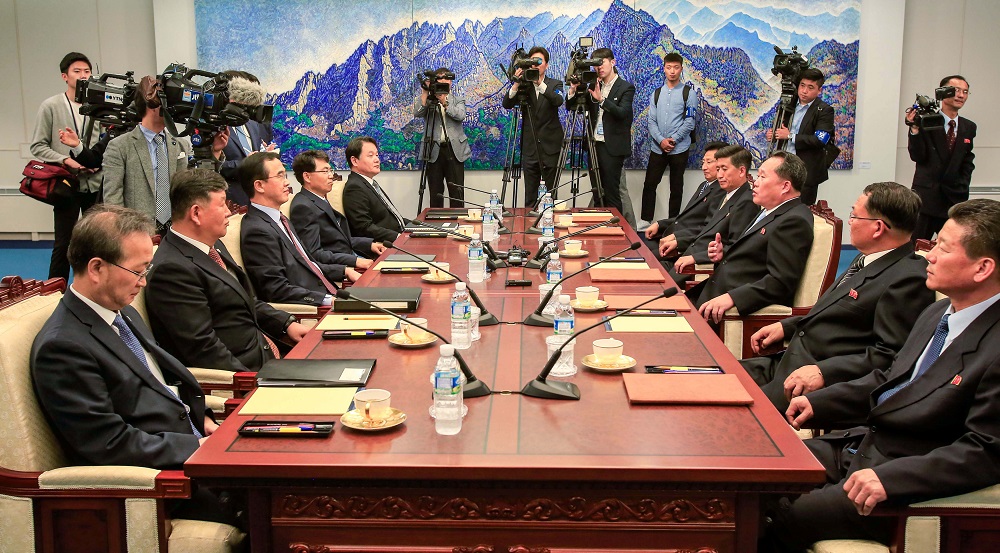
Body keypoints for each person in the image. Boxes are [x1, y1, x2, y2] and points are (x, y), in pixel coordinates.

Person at [767, 199, 1000, 551]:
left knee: (780, 515)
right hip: (861, 444)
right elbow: (891, 378)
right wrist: (819, 403)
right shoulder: (939, 311)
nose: (930, 254)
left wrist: (892, 478)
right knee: (760, 479)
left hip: (899, 474)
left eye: (942, 247)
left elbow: (985, 451)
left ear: (982, 268)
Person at [30, 204, 232, 524]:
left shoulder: (120, 312)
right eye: (138, 271)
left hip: (193, 449)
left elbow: (159, 384)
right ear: (97, 268)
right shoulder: (63, 347)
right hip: (162, 485)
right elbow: (110, 443)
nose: (143, 283)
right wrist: (199, 446)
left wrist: (202, 419)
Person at [742, 182, 936, 412]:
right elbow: (836, 312)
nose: (850, 222)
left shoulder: (907, 279)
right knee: (711, 376)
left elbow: (889, 356)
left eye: (855, 216)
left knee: (726, 415)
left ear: (877, 228)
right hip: (786, 362)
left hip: (811, 384)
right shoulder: (867, 259)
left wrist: (824, 372)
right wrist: (788, 326)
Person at [146, 169, 309, 372]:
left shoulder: (213, 244)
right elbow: (205, 351)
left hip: (271, 351)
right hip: (250, 374)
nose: (228, 211)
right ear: (196, 213)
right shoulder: (171, 271)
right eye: (222, 203)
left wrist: (286, 323)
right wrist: (259, 383)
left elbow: (244, 300)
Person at [694, 152, 814, 324]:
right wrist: (723, 254)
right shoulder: (770, 210)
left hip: (728, 310)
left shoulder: (793, 221)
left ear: (785, 186)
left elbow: (780, 282)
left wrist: (732, 298)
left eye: (762, 177)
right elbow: (756, 256)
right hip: (713, 291)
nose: (755, 183)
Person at [103, 76, 223, 234]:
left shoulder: (181, 144)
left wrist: (215, 152)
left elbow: (194, 188)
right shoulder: (119, 147)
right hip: (138, 232)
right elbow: (113, 200)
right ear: (152, 103)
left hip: (176, 231)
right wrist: (123, 236)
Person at [240, 152, 359, 306]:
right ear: (259, 186)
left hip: (329, 291)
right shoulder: (257, 231)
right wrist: (329, 301)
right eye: (280, 176)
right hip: (313, 307)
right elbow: (277, 290)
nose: (287, 183)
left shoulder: (281, 219)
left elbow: (308, 263)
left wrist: (344, 270)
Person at [29, 52, 102, 281]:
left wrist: (95, 162)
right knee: (64, 244)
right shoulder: (50, 106)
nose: (83, 76)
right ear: (65, 76)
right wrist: (66, 160)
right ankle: (54, 293)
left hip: (96, 183)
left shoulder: (98, 106)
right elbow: (38, 146)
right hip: (66, 183)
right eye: (77, 71)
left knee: (98, 243)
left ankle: (93, 291)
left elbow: (107, 143)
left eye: (87, 71)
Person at [669, 145, 758, 285]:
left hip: (702, 268)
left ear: (742, 171)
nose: (720, 175)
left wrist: (696, 258)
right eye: (718, 169)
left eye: (724, 169)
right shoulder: (728, 195)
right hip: (686, 257)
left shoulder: (746, 202)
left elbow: (735, 249)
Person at [567, 47, 635, 225]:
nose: (599, 67)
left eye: (602, 62)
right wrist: (573, 90)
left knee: (612, 192)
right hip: (593, 144)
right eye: (595, 64)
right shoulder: (592, 86)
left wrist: (602, 101)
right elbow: (571, 106)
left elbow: (623, 113)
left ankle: (616, 230)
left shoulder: (625, 87)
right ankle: (599, 228)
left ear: (612, 62)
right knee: (597, 190)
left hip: (612, 147)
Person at [907, 75, 976, 241]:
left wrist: (963, 184)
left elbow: (967, 160)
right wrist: (915, 129)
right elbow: (918, 156)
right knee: (914, 249)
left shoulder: (968, 127)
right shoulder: (927, 121)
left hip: (954, 199)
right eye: (956, 90)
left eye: (965, 92)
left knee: (952, 249)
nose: (961, 95)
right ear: (942, 92)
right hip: (926, 199)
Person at [290, 150, 385, 269]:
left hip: (351, 255)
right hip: (341, 267)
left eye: (330, 170)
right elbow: (313, 254)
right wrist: (355, 261)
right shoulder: (303, 207)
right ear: (307, 176)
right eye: (325, 171)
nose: (331, 175)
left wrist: (369, 244)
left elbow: (338, 239)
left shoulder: (319, 198)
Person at [639, 52, 697, 228]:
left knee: (676, 187)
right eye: (669, 67)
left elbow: (690, 121)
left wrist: (673, 139)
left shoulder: (689, 93)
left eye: (676, 67)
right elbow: (651, 121)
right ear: (664, 69)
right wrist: (661, 140)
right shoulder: (657, 93)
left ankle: (673, 223)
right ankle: (645, 221)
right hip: (658, 147)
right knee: (649, 184)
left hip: (679, 148)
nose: (672, 71)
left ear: (681, 69)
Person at [644, 141, 727, 260]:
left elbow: (707, 227)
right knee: (636, 249)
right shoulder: (705, 185)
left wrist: (677, 238)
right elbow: (685, 217)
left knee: (644, 258)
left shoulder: (721, 191)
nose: (704, 167)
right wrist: (660, 224)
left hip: (684, 245)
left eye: (709, 162)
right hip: (669, 235)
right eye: (703, 162)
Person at [502, 47, 565, 204]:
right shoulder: (524, 86)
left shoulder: (555, 84)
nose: (536, 65)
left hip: (551, 148)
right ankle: (530, 226)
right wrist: (516, 84)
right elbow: (507, 104)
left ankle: (550, 226)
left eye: (539, 62)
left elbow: (558, 101)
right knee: (530, 196)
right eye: (533, 62)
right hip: (530, 148)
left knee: (550, 196)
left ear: (546, 65)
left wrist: (539, 84)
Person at [765, 68, 835, 206]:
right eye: (802, 85)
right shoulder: (789, 105)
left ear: (819, 90)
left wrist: (790, 136)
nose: (804, 91)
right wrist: (774, 135)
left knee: (801, 210)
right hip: (783, 166)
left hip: (806, 172)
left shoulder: (824, 110)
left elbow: (820, 140)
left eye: (810, 87)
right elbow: (782, 130)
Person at [415, 67, 470, 208]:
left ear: (451, 82)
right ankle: (437, 225)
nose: (444, 81)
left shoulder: (457, 99)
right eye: (440, 78)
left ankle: (458, 224)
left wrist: (445, 102)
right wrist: (425, 93)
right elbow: (417, 113)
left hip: (454, 150)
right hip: (433, 150)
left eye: (447, 78)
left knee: (456, 192)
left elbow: (460, 115)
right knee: (436, 192)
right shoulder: (428, 100)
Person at [220, 71, 275, 206]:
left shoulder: (253, 123)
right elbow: (215, 166)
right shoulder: (216, 125)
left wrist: (264, 156)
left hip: (258, 199)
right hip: (230, 201)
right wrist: (246, 163)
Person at [343, 136, 405, 243]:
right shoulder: (354, 187)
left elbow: (392, 218)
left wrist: (418, 226)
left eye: (377, 155)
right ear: (354, 161)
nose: (377, 159)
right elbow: (363, 227)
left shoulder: (370, 183)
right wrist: (399, 237)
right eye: (370, 155)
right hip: (384, 245)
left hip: (396, 236)